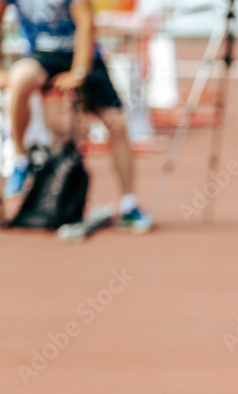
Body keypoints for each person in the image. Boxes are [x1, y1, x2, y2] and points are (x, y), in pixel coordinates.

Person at [0, 0, 152, 232]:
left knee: (117, 123)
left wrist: (78, 72)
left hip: (87, 57)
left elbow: (86, 23)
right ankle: (20, 160)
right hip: (42, 56)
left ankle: (129, 204)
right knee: (19, 79)